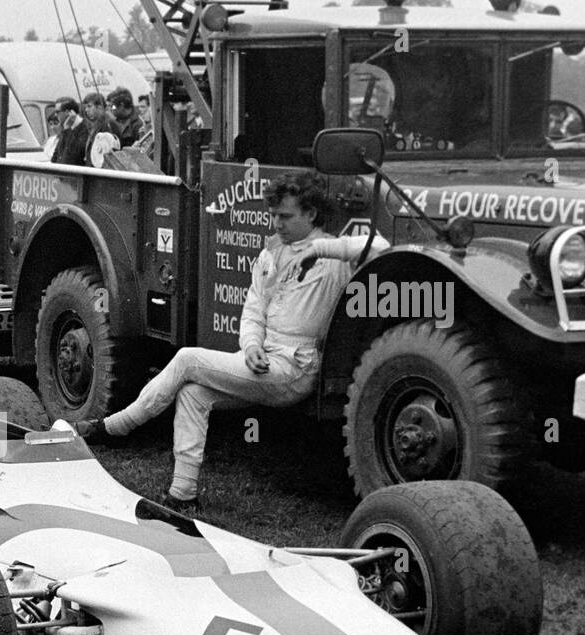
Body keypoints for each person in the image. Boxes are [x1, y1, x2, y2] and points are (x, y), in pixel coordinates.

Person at [77, 173, 387, 508]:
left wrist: (321, 248)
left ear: (311, 214)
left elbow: (385, 247)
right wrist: (251, 346)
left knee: (186, 359)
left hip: (297, 367)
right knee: (194, 393)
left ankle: (114, 427)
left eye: (286, 217)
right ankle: (182, 493)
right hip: (265, 362)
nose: (277, 224)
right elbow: (253, 312)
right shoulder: (270, 254)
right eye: (273, 216)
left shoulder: (333, 256)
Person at [81, 92, 120, 167]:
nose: (86, 110)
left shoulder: (109, 124)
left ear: (100, 107)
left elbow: (110, 151)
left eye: (89, 106)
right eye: (85, 107)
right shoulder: (95, 124)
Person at [49, 97, 88, 166]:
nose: (55, 115)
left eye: (57, 112)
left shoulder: (85, 128)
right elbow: (56, 156)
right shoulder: (65, 128)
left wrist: (67, 131)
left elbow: (72, 157)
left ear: (68, 112)